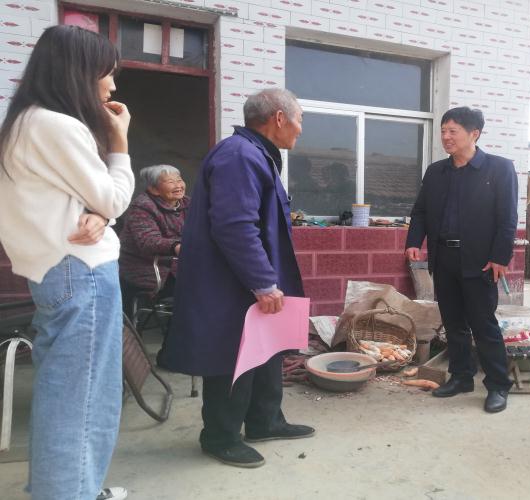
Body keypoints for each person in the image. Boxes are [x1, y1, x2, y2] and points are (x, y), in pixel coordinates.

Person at [0, 25, 132, 500]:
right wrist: (120, 140)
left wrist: (98, 212)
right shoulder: (58, 125)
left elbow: (87, 202)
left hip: (53, 270)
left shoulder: (20, 124)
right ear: (78, 73)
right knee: (84, 398)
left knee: (65, 392)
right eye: (106, 74)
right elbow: (115, 198)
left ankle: (67, 488)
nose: (111, 86)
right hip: (82, 272)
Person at [161, 88, 314, 468]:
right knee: (233, 356)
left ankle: (264, 421)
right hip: (231, 282)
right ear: (279, 118)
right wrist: (262, 281)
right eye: (300, 120)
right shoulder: (239, 155)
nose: (300, 129)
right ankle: (220, 437)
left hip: (251, 277)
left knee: (266, 350)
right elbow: (234, 226)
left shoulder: (256, 153)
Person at [405, 107, 517, 413]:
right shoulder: (436, 172)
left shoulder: (499, 169)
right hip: (444, 258)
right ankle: (461, 377)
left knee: (483, 324)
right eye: (443, 131)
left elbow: (507, 218)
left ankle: (498, 385)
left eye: (452, 131)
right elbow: (420, 211)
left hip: (480, 262)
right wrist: (414, 241)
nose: (445, 137)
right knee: (453, 323)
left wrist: (500, 257)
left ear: (474, 134)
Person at [118, 165, 189, 315]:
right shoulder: (142, 207)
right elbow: (148, 240)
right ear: (154, 189)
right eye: (171, 182)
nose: (178, 186)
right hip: (149, 268)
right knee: (197, 291)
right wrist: (176, 246)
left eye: (179, 180)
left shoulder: (188, 204)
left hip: (181, 266)